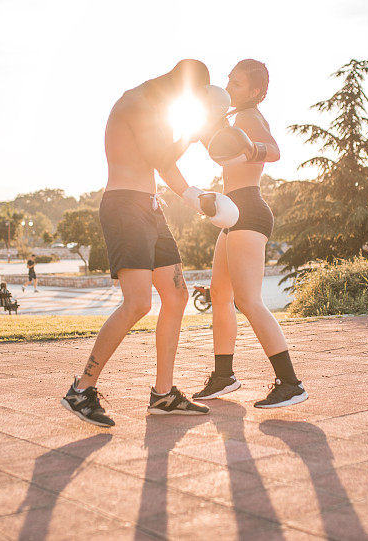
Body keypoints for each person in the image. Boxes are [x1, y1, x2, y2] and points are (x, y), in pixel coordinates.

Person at [61, 59, 220, 427]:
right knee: (137, 303)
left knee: (177, 295)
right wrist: (195, 132)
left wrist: (196, 199)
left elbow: (164, 167)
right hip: (124, 208)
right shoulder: (135, 104)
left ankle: (163, 395)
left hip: (151, 208)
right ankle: (81, 389)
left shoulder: (158, 109)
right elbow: (161, 156)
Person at [193, 59, 308, 408]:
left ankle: (290, 383)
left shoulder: (249, 117)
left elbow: (273, 150)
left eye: (238, 84)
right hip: (233, 211)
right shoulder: (233, 120)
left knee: (247, 300)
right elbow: (220, 151)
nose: (229, 87)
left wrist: (251, 148)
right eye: (229, 80)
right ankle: (224, 375)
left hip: (248, 209)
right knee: (220, 294)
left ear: (256, 91)